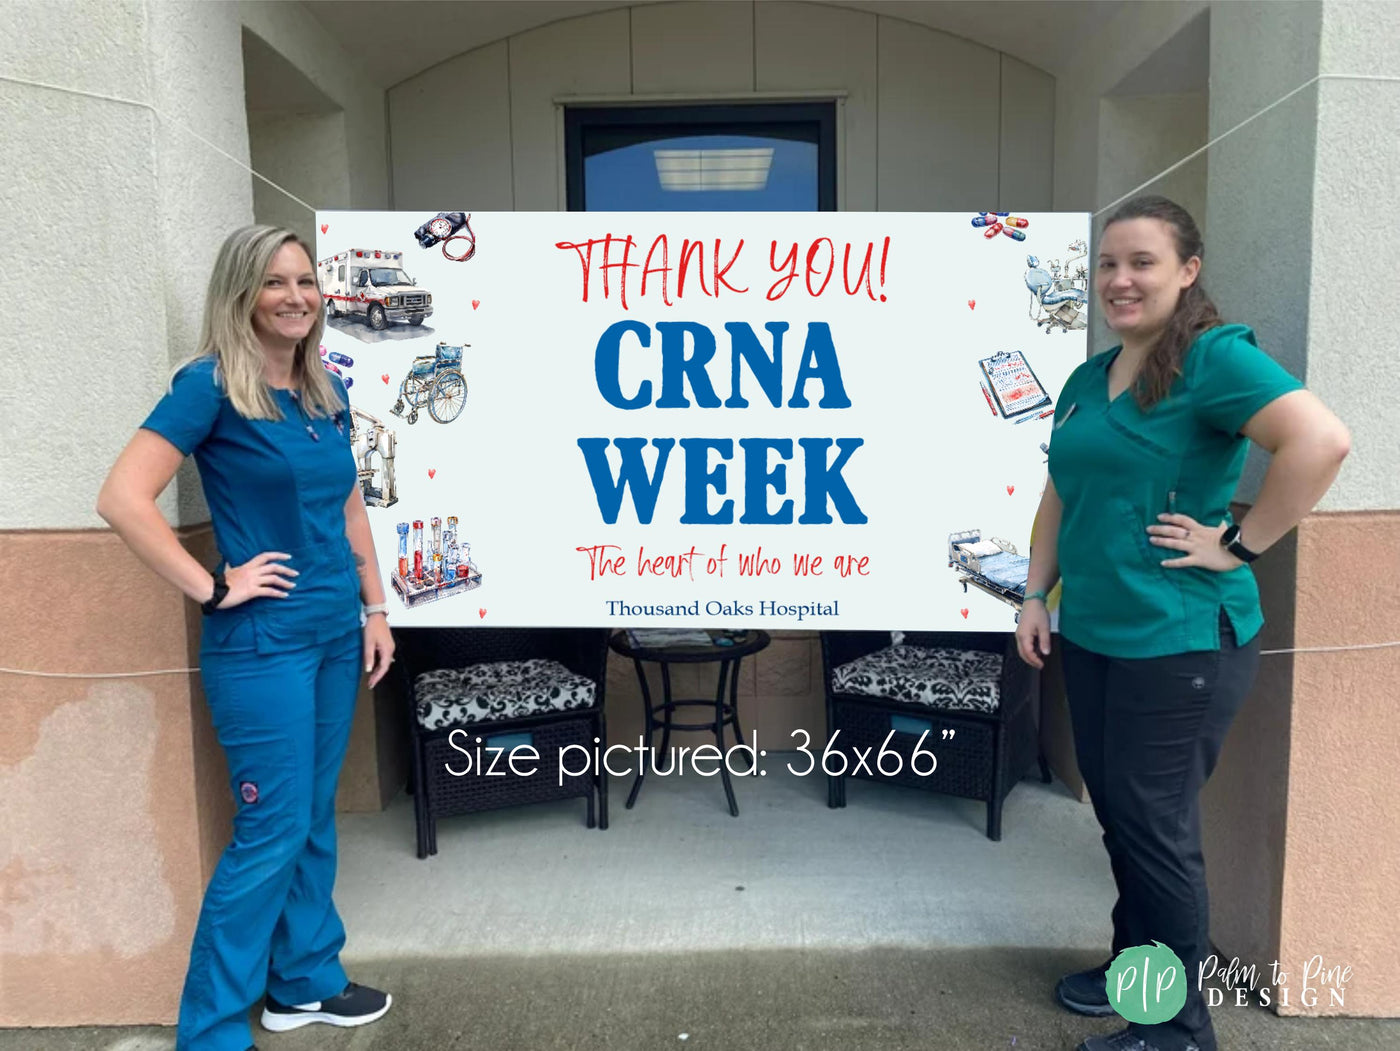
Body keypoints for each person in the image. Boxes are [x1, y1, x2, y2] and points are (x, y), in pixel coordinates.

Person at [1014, 196, 1349, 1051]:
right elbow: (1061, 491)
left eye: (1142, 263)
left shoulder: (1211, 360)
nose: (1120, 280)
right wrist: (1034, 594)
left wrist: (1240, 544)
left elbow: (1321, 441)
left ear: (1187, 270)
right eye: (1108, 266)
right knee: (1121, 816)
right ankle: (1137, 968)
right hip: (1093, 631)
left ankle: (1175, 1027)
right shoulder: (1092, 379)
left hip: (1182, 641)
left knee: (1155, 827)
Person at [97, 225, 397, 1051]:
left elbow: (346, 507)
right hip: (263, 644)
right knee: (269, 831)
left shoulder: (317, 393)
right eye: (275, 283)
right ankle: (214, 1030)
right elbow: (123, 497)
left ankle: (303, 981)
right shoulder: (209, 386)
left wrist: (376, 610)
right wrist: (213, 585)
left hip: (337, 632)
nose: (296, 296)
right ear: (241, 294)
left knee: (311, 816)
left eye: (305, 281)